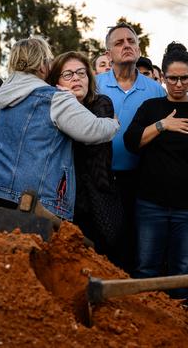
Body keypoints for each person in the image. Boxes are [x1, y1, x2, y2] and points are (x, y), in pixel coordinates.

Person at [0, 36, 119, 229]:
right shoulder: (54, 98)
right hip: (34, 202)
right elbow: (93, 130)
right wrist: (112, 123)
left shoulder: (4, 98)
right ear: (42, 65)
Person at [122, 42, 188, 299]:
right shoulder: (151, 108)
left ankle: (180, 327)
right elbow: (131, 143)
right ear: (163, 78)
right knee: (146, 268)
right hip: (150, 204)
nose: (178, 84)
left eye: (184, 78)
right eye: (172, 78)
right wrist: (162, 125)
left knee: (184, 271)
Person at [96, 23, 164, 271]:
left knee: (135, 243)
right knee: (104, 242)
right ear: (108, 54)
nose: (126, 46)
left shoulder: (155, 90)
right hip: (100, 178)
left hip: (141, 178)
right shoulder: (94, 85)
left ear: (138, 47)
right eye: (119, 43)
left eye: (131, 41)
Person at [47, 51, 123, 258]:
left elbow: (89, 137)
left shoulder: (102, 103)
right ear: (56, 82)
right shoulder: (53, 107)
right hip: (63, 197)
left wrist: (69, 104)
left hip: (98, 195)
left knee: (103, 257)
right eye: (68, 75)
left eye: (81, 73)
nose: (76, 78)